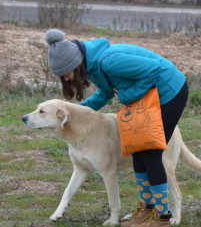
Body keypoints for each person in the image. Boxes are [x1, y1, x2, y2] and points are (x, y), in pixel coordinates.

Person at [45, 29, 188, 227]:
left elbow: (154, 69)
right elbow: (105, 93)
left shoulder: (108, 62)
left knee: (150, 153)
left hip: (169, 92)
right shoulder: (93, 67)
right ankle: (146, 210)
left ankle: (162, 217)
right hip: (149, 96)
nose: (67, 80)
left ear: (76, 65)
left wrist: (128, 96)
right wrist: (77, 113)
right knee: (137, 150)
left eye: (66, 74)